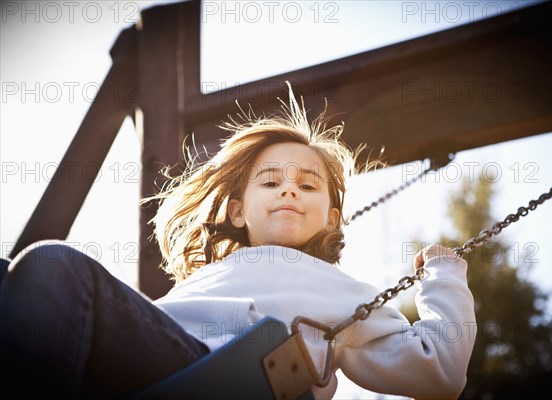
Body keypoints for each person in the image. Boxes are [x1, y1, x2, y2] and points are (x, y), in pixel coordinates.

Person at [0, 82, 476, 399]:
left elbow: (440, 369)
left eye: (307, 185)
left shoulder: (341, 290)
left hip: (233, 375)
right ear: (236, 210)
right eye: (270, 182)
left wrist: (444, 275)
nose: (289, 188)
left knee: (52, 266)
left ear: (332, 219)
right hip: (145, 354)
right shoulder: (204, 279)